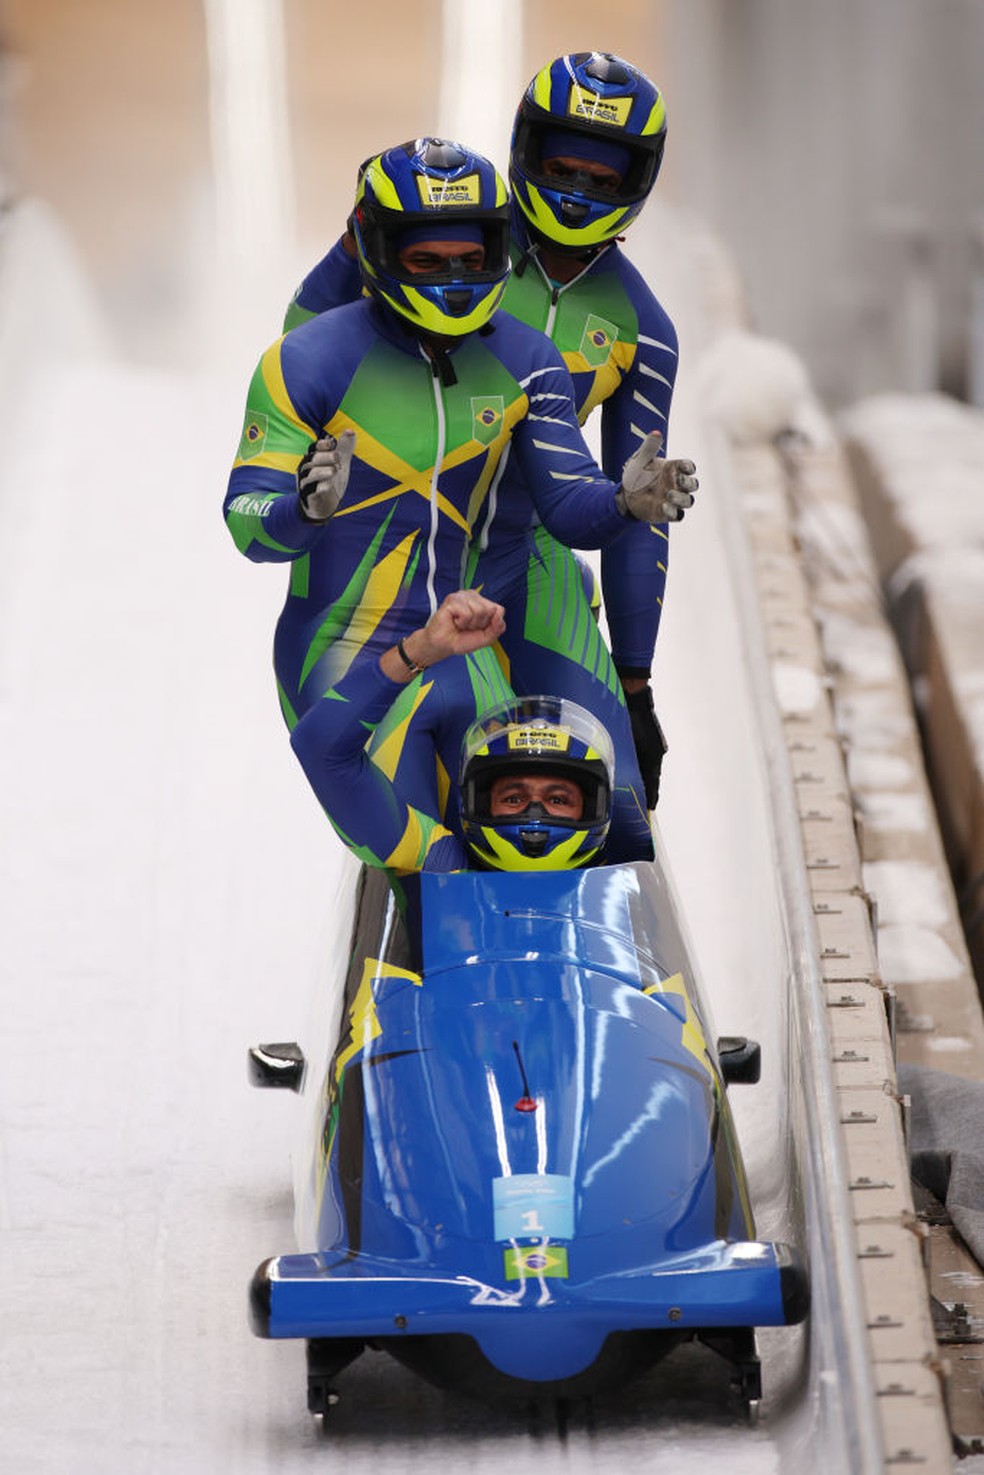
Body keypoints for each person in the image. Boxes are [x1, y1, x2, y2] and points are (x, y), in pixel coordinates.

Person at [224, 137, 695, 865]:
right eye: (427, 261)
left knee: (568, 824)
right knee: (433, 853)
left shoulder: (527, 359)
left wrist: (625, 503)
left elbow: (568, 507)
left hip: (460, 642)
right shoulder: (305, 361)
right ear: (379, 251)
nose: (453, 278)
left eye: (472, 259)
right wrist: (302, 512)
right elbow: (249, 527)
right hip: (343, 649)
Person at [289, 589, 612, 878]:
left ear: (592, 806)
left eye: (557, 799)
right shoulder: (439, 860)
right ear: (480, 802)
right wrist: (419, 651)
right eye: (513, 798)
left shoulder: (619, 877)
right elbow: (317, 746)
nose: (534, 815)